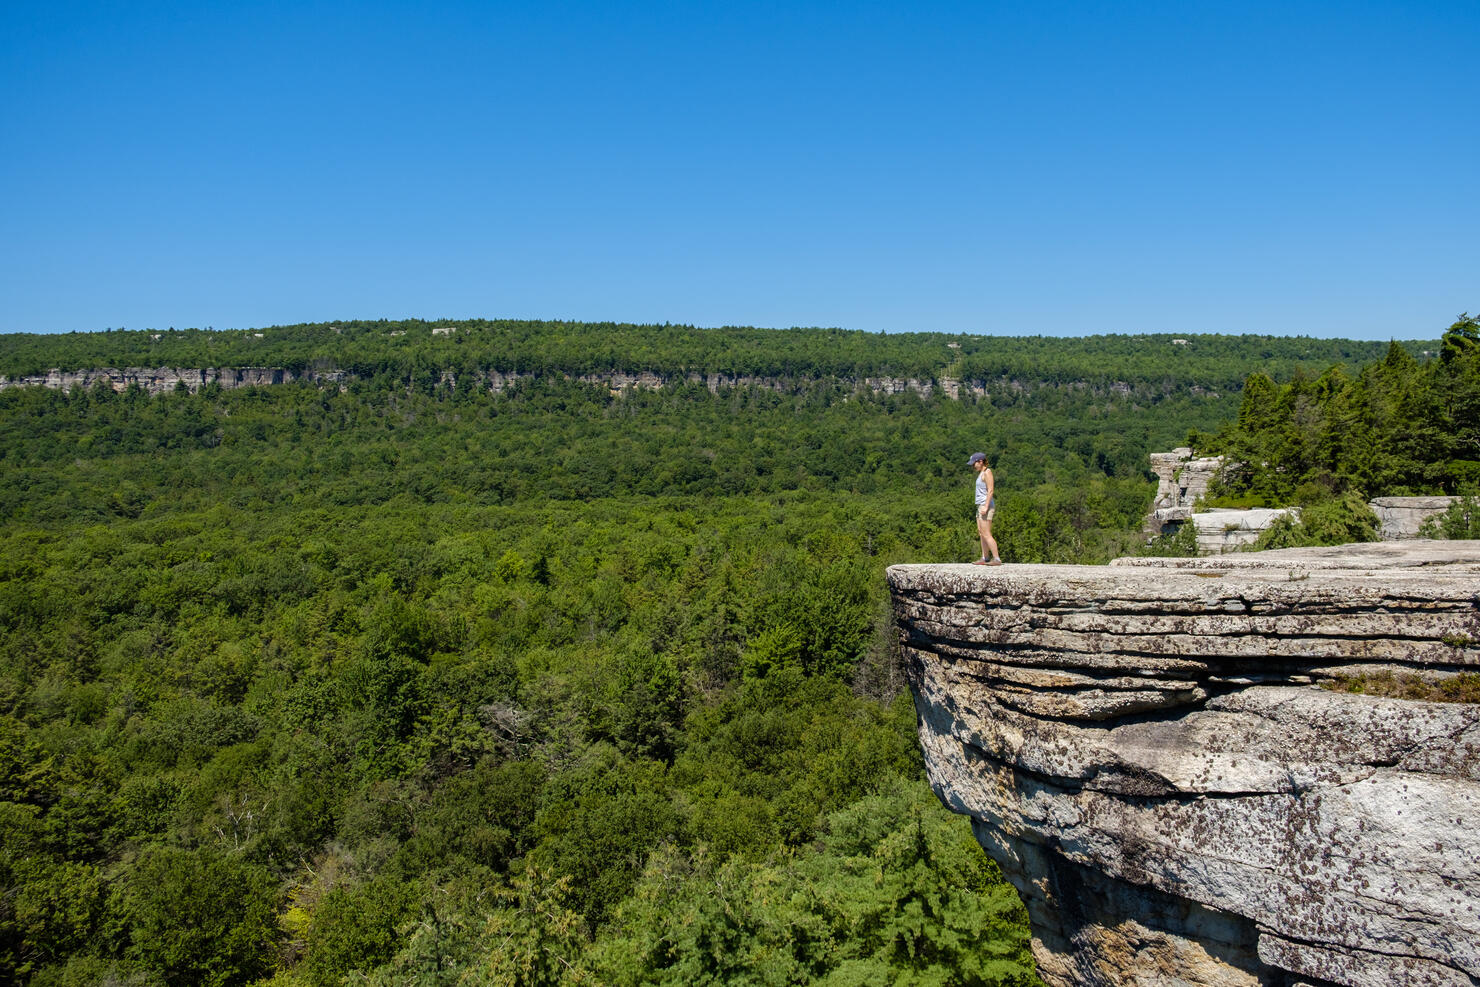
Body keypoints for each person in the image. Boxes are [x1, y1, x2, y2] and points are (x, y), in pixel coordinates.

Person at [967, 452, 1002, 565]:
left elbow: (991, 490)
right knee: (981, 532)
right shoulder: (981, 473)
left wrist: (986, 506)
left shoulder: (987, 472)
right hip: (980, 505)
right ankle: (985, 557)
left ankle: (996, 558)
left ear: (980, 461)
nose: (973, 466)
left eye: (974, 464)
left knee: (986, 533)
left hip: (985, 505)